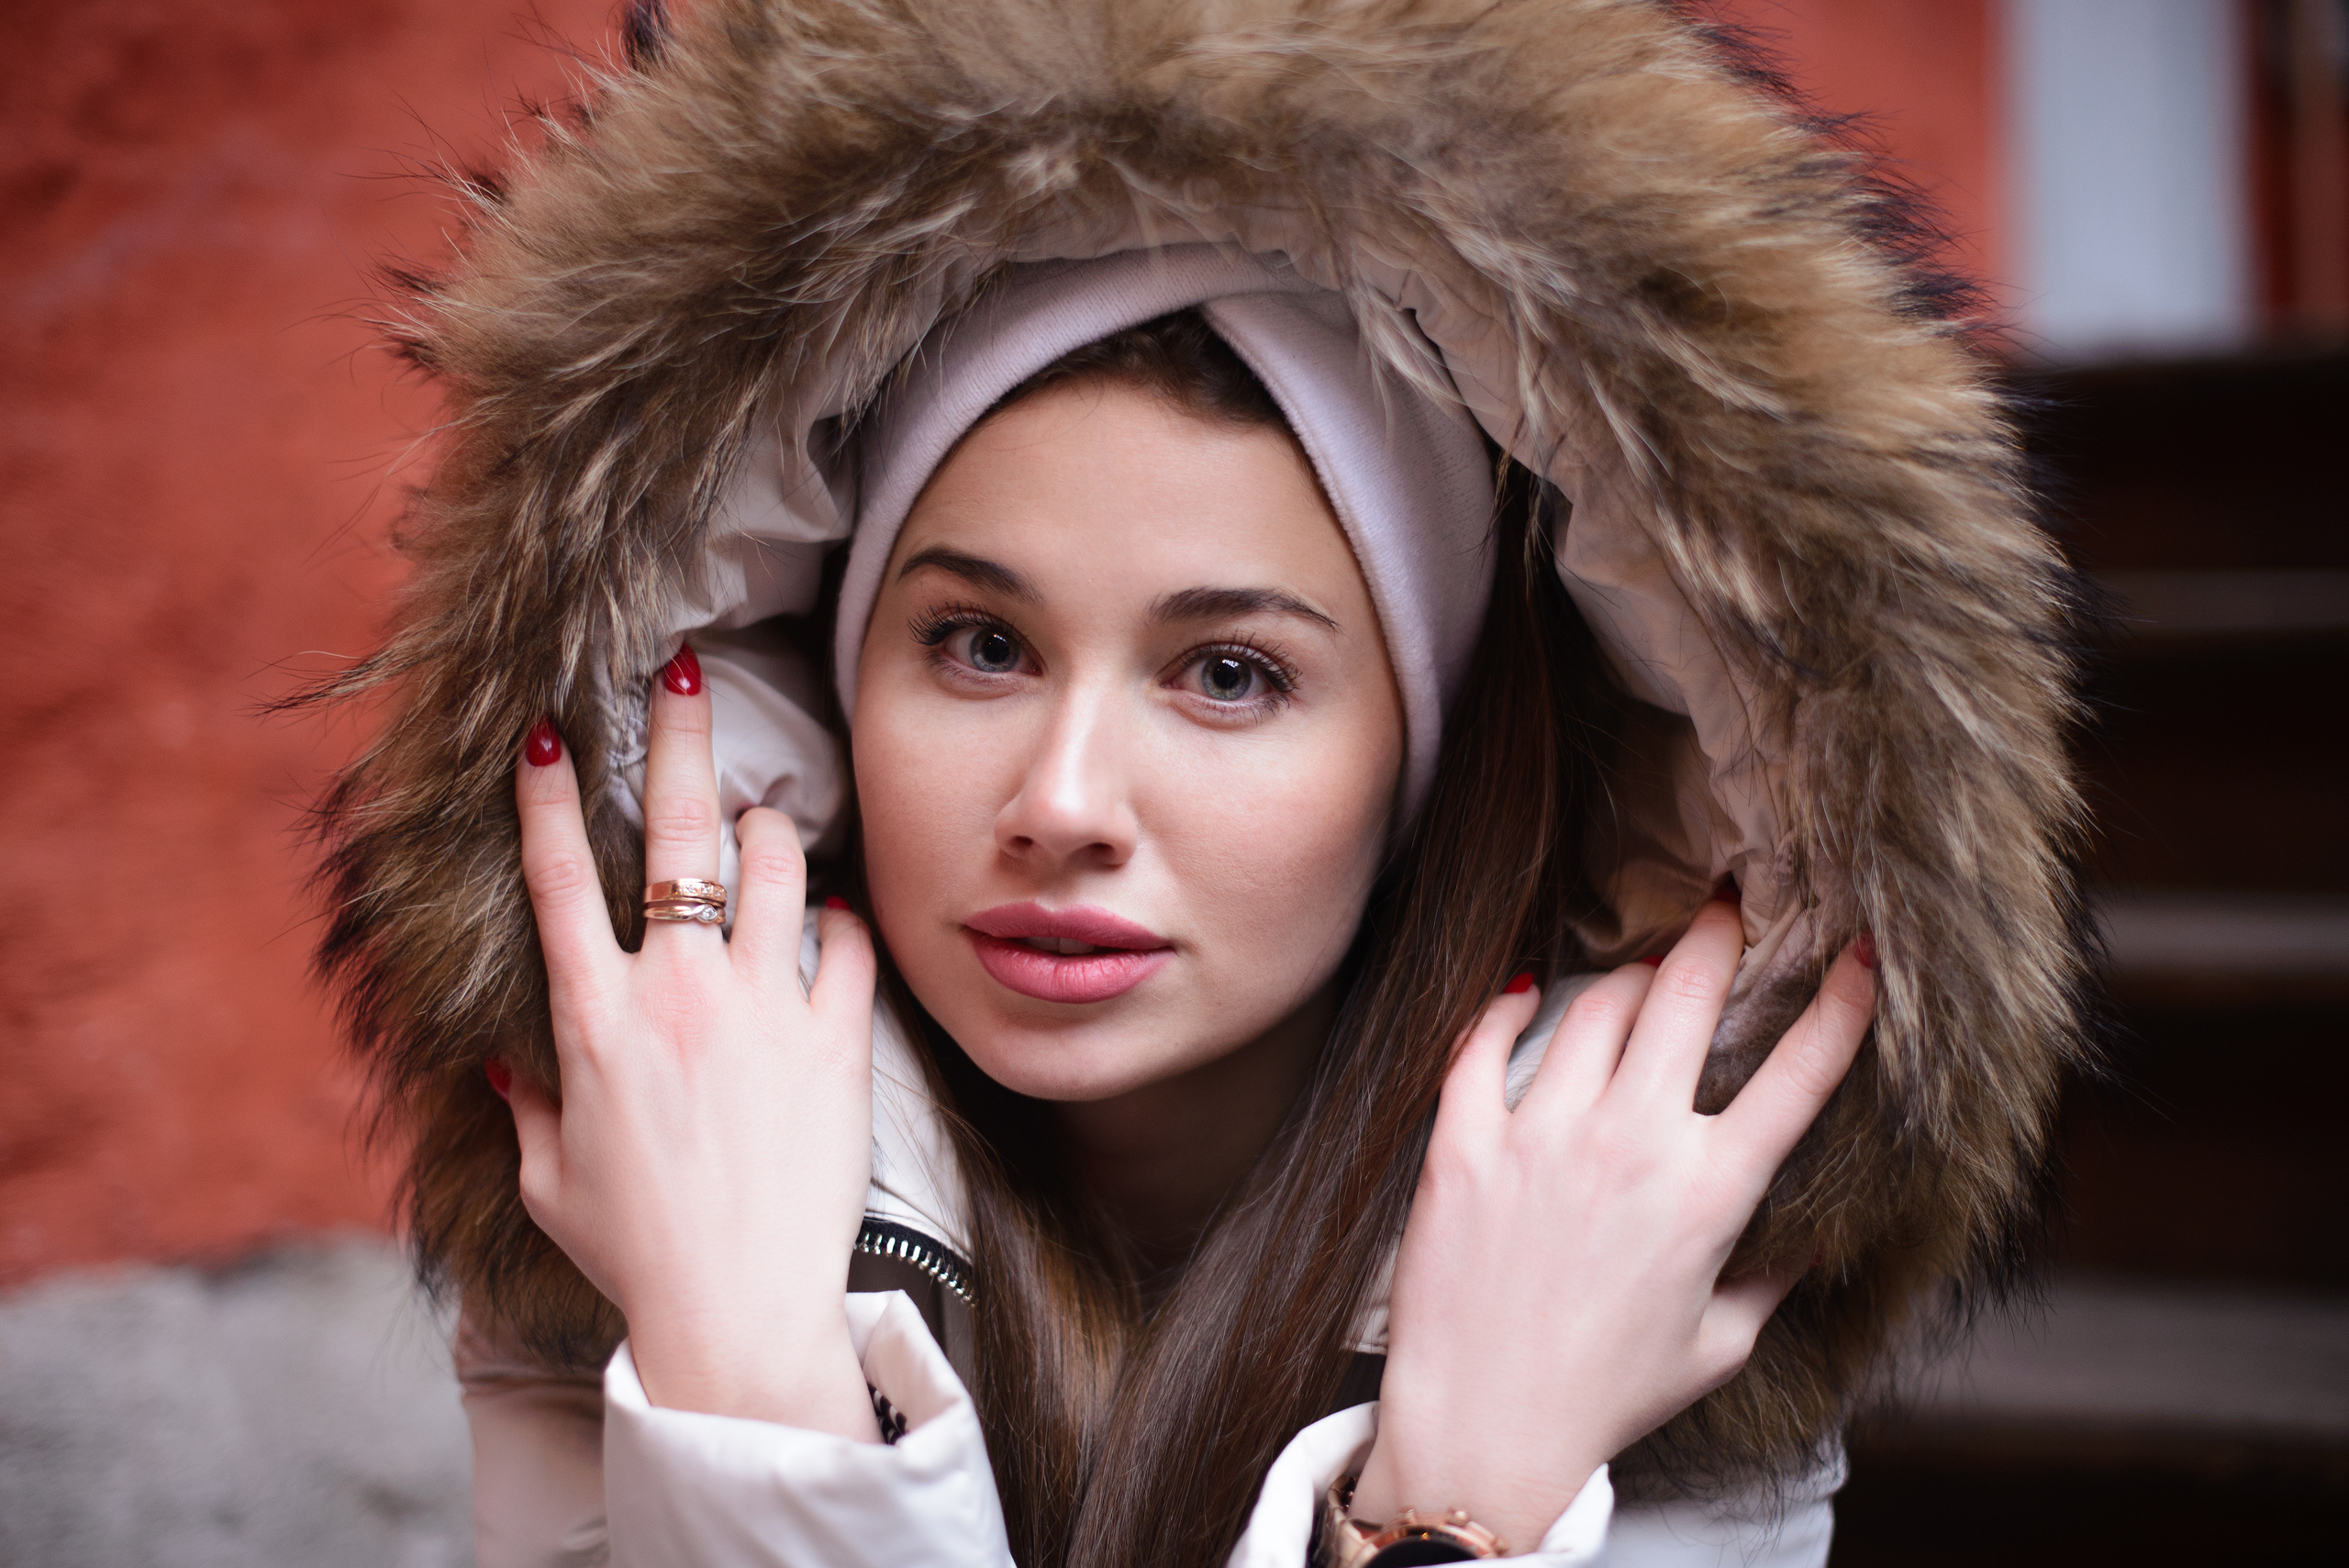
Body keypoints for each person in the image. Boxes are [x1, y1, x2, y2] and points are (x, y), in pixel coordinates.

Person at [311, 4, 2091, 1566]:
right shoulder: (665, 1181)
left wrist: (1463, 1501)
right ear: (836, 682)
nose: (1064, 798)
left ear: (1425, 750)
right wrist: (747, 1380)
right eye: (976, 644)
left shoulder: (1623, 1236)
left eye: (1228, 673)